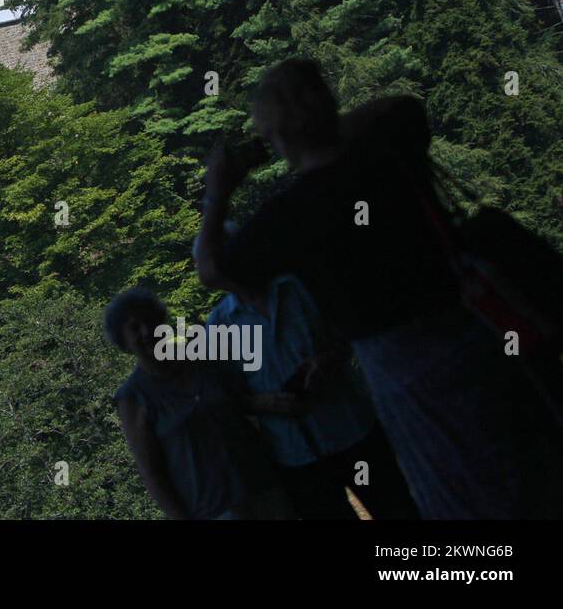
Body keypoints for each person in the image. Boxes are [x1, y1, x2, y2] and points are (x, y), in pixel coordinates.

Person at [193, 58, 563, 519]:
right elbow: (402, 106)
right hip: (478, 327)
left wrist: (218, 190)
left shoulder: (289, 217)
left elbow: (211, 268)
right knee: (532, 455)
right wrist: (318, 123)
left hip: (405, 370)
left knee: (461, 490)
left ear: (278, 135)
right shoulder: (388, 149)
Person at [205, 272, 419, 519]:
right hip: (297, 457)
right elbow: (224, 396)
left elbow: (350, 330)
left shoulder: (301, 289)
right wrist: (262, 402)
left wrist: (330, 359)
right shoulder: (219, 325)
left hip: (354, 434)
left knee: (398, 512)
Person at [105, 287, 294, 520]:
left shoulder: (201, 359)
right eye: (134, 327)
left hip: (263, 487)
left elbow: (238, 401)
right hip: (213, 511)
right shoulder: (132, 398)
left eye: (150, 321)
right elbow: (152, 474)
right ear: (123, 341)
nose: (146, 331)